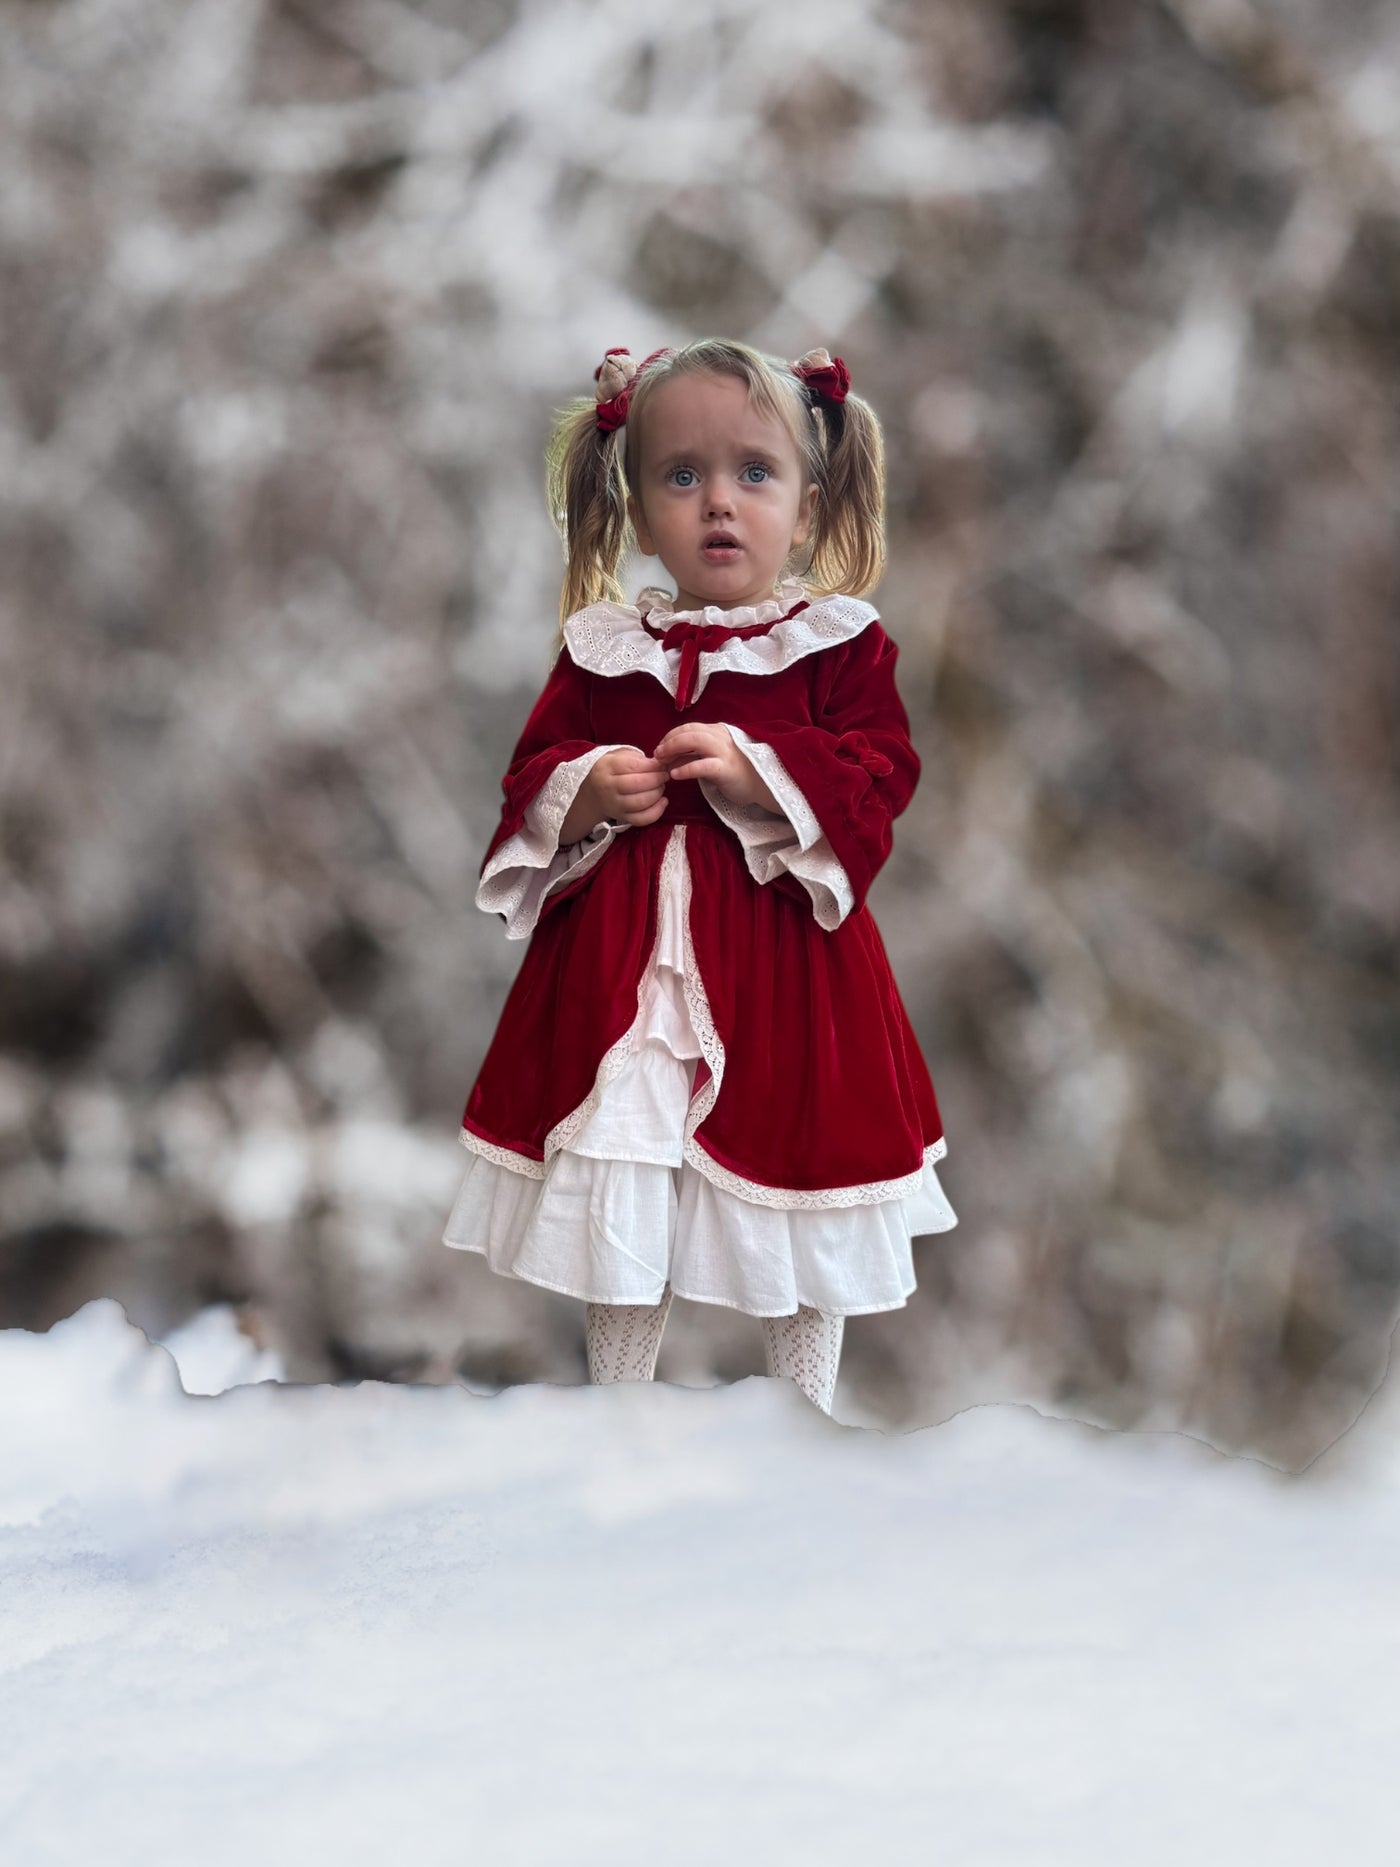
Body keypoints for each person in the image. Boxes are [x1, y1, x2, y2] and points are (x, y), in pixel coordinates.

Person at [441, 337, 957, 1417]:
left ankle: (804, 1405)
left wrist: (764, 772)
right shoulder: (599, 650)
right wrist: (581, 791)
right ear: (634, 507)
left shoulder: (833, 646)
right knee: (619, 1162)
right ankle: (617, 1408)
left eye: (752, 473)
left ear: (808, 507)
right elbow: (526, 776)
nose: (718, 502)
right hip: (623, 978)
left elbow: (879, 773)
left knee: (801, 1171)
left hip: (785, 966)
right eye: (682, 476)